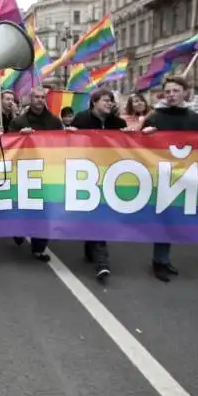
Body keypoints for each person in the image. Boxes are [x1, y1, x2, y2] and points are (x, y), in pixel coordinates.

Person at [141, 76, 198, 282]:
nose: (171, 95)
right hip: (162, 175)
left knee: (175, 219)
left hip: (186, 175)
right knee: (164, 219)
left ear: (185, 93)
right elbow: (139, 146)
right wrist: (145, 134)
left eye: (176, 91)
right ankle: (159, 261)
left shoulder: (194, 118)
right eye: (168, 92)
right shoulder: (155, 117)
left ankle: (164, 259)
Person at [69, 88, 133, 283]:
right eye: (106, 100)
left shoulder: (118, 123)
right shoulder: (81, 120)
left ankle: (96, 253)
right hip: (88, 175)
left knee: (100, 215)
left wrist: (131, 136)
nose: (110, 103)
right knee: (95, 214)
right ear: (94, 102)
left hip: (111, 174)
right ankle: (100, 259)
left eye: (111, 100)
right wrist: (70, 135)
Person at [8, 86, 73, 261]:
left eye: (42, 97)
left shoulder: (53, 121)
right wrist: (19, 136)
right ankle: (17, 230)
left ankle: (39, 247)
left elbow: (62, 144)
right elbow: (9, 144)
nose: (39, 100)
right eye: (36, 97)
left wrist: (70, 135)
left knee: (45, 209)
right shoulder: (19, 121)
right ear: (30, 98)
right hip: (24, 171)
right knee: (24, 207)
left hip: (47, 171)